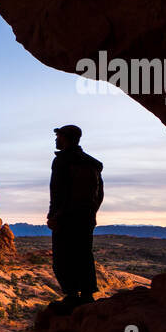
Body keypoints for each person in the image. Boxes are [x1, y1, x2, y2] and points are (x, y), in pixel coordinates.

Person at [46, 124, 103, 309]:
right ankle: (86, 295)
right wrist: (92, 212)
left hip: (66, 218)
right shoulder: (92, 163)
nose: (56, 140)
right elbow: (99, 193)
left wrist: (55, 215)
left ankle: (72, 296)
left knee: (63, 257)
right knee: (83, 254)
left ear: (65, 138)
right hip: (86, 217)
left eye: (58, 136)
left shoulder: (63, 161)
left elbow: (59, 191)